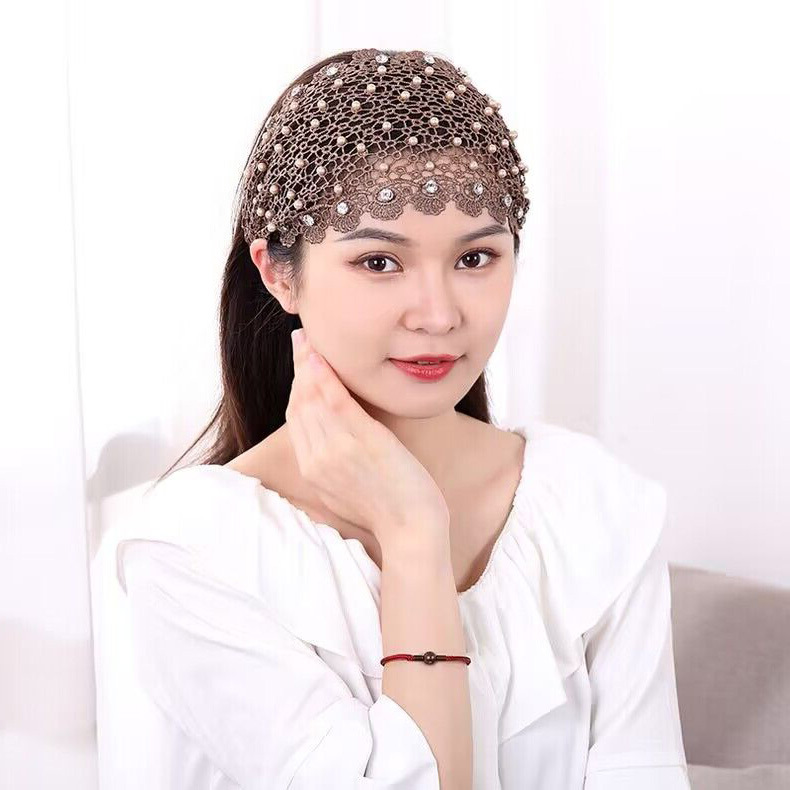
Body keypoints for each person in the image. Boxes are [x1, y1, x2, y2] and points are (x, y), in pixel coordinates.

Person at [116, 48, 691, 788]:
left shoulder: (592, 504)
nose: (439, 315)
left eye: (475, 259)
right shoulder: (195, 550)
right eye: (380, 263)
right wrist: (414, 535)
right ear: (279, 273)